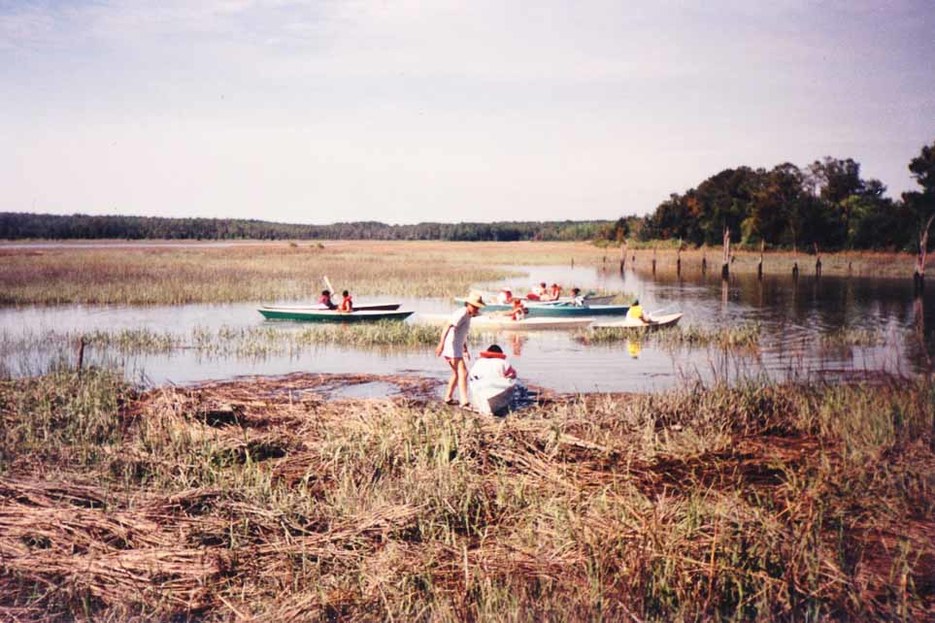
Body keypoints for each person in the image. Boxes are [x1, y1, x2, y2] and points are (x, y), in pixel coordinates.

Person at [436, 291, 485, 407]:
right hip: (451, 347)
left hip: (456, 347)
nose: (476, 309)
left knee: (456, 373)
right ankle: (464, 401)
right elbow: (447, 326)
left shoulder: (468, 315)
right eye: (474, 307)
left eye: (477, 307)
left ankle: (448, 398)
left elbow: (461, 334)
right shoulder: (462, 314)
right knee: (463, 372)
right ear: (468, 304)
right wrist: (441, 344)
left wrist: (465, 349)